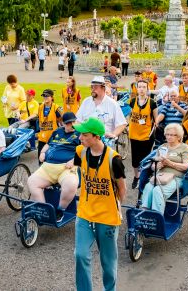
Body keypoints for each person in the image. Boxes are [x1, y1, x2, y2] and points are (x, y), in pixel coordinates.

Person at [73, 117, 126, 291]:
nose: (80, 137)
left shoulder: (114, 159)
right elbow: (78, 174)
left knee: (108, 262)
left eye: (85, 134)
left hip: (107, 216)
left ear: (96, 137)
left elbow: (122, 189)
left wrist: (115, 206)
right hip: (85, 212)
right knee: (80, 254)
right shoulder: (80, 151)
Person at [27, 112, 80, 222]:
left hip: (66, 168)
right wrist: (42, 152)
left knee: (71, 184)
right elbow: (48, 144)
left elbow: (84, 150)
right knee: (32, 181)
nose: (72, 124)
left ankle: (60, 210)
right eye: (69, 123)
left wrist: (74, 161)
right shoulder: (57, 131)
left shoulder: (80, 134)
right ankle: (44, 210)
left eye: (74, 121)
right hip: (48, 167)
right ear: (63, 123)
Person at [140, 123, 188, 213]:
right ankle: (145, 213)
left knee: (157, 190)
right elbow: (152, 166)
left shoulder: (184, 147)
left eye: (172, 135)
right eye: (167, 134)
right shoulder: (162, 147)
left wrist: (170, 163)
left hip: (176, 177)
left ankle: (157, 216)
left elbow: (186, 166)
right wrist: (156, 165)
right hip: (160, 175)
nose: (169, 137)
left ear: (179, 136)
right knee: (148, 187)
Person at [76, 76, 127, 144]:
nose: (93, 89)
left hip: (105, 143)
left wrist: (113, 134)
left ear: (103, 88)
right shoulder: (86, 102)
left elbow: (122, 124)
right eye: (92, 87)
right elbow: (77, 120)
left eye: (95, 87)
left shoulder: (112, 104)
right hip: (87, 142)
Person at [128, 79, 158, 189]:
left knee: (145, 158)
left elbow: (156, 120)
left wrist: (155, 127)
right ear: (137, 88)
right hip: (134, 134)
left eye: (144, 87)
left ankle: (144, 178)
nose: (141, 89)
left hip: (146, 136)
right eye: (139, 87)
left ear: (147, 89)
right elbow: (130, 115)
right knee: (135, 160)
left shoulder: (152, 103)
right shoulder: (132, 101)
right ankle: (136, 177)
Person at [36, 89, 63, 159]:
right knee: (40, 158)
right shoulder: (40, 107)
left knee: (51, 158)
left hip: (52, 137)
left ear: (52, 97)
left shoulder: (56, 108)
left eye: (47, 96)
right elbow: (39, 118)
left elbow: (62, 120)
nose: (45, 97)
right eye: (44, 96)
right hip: (42, 137)